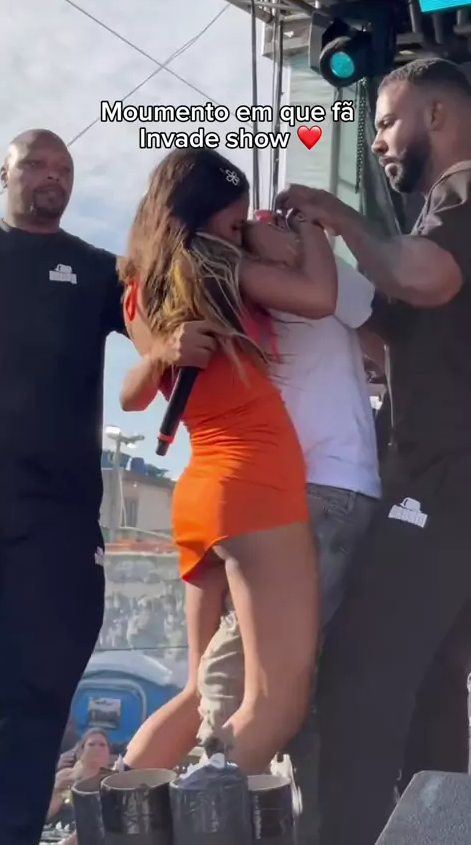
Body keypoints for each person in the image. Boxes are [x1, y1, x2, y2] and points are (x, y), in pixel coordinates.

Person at [118, 173, 379, 845]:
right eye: (235, 222)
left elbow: (130, 395)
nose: (242, 232)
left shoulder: (140, 285)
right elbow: (320, 297)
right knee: (277, 703)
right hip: (257, 486)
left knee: (197, 691)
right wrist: (311, 225)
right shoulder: (214, 260)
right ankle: (201, 825)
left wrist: (163, 353)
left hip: (202, 488)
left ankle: (109, 828)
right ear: (203, 215)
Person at [276, 57, 471, 845]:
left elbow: (430, 281)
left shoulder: (461, 196)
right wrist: (313, 278)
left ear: (438, 115)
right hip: (448, 478)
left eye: (387, 121)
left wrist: (336, 215)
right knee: (433, 685)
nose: (380, 141)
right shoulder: (436, 215)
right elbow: (406, 323)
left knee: (360, 673)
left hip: (443, 477)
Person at [0, 128, 125, 845]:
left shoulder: (98, 270)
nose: (52, 175)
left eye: (64, 167)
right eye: (37, 163)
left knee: (37, 693)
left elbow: (163, 317)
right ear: (5, 173)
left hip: (55, 520)